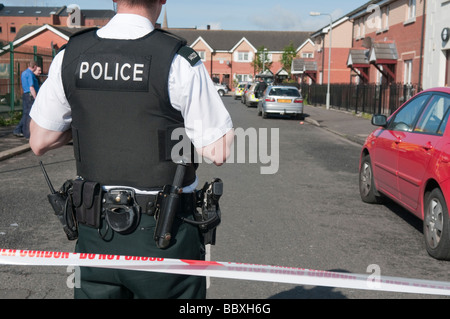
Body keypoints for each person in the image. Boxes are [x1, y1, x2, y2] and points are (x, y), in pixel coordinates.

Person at [29, 0, 234, 299]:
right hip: (165, 236)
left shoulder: (71, 55)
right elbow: (217, 150)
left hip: (95, 235)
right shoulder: (177, 59)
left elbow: (39, 140)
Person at [14, 60, 39, 138]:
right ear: (34, 66)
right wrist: (36, 98)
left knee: (25, 113)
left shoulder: (24, 73)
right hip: (30, 95)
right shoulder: (30, 74)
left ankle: (18, 130)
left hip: (25, 94)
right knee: (28, 115)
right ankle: (26, 133)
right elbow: (31, 87)